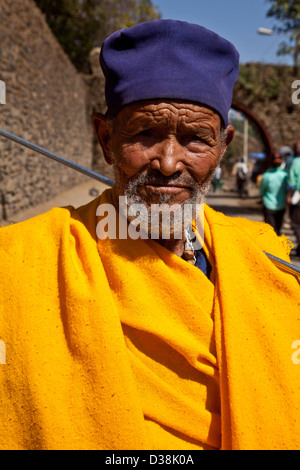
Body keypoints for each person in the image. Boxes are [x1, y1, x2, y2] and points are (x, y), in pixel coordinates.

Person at [0, 20, 299, 451]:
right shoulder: (26, 261)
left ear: (223, 148)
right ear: (106, 138)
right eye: (145, 134)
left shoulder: (267, 263)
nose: (168, 163)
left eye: (196, 139)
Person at [259, 153, 288, 235]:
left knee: (270, 230)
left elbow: (262, 190)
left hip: (268, 205)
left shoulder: (266, 175)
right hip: (281, 206)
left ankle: (271, 246)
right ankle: (277, 246)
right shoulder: (285, 175)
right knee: (278, 229)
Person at [287, 140, 300, 257]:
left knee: (295, 223)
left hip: (297, 196)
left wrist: (288, 196)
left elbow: (291, 180)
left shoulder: (295, 162)